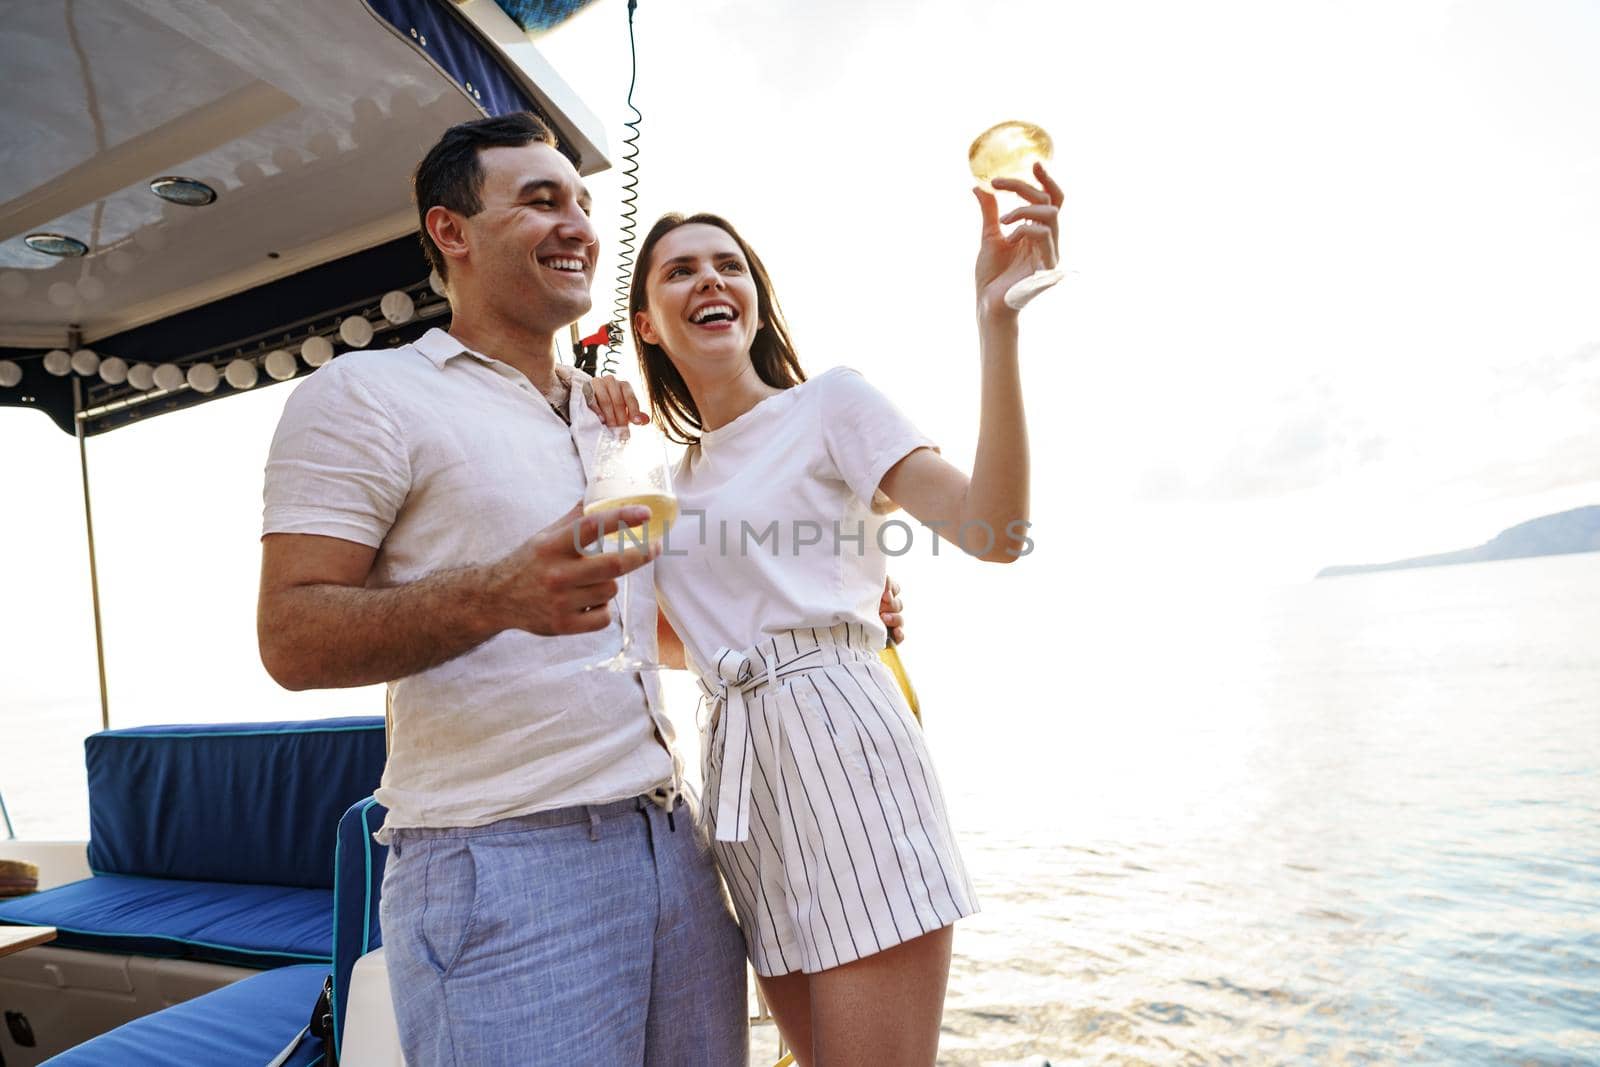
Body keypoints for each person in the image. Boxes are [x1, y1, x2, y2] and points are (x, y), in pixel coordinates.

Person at [256, 112, 907, 1065]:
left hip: (678, 854)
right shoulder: (365, 396)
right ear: (452, 233)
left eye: (583, 204)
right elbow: (291, 637)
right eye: (539, 200)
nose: (577, 225)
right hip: (499, 870)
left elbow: (651, 629)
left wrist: (828, 613)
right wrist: (498, 594)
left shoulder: (619, 424)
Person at [587, 168, 1059, 1064]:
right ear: (646, 323)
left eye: (729, 266)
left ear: (757, 304)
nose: (710, 280)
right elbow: (651, 635)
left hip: (845, 742)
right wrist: (587, 411)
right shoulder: (663, 487)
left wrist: (997, 324)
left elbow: (994, 530)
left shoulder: (829, 404)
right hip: (738, 774)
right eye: (680, 270)